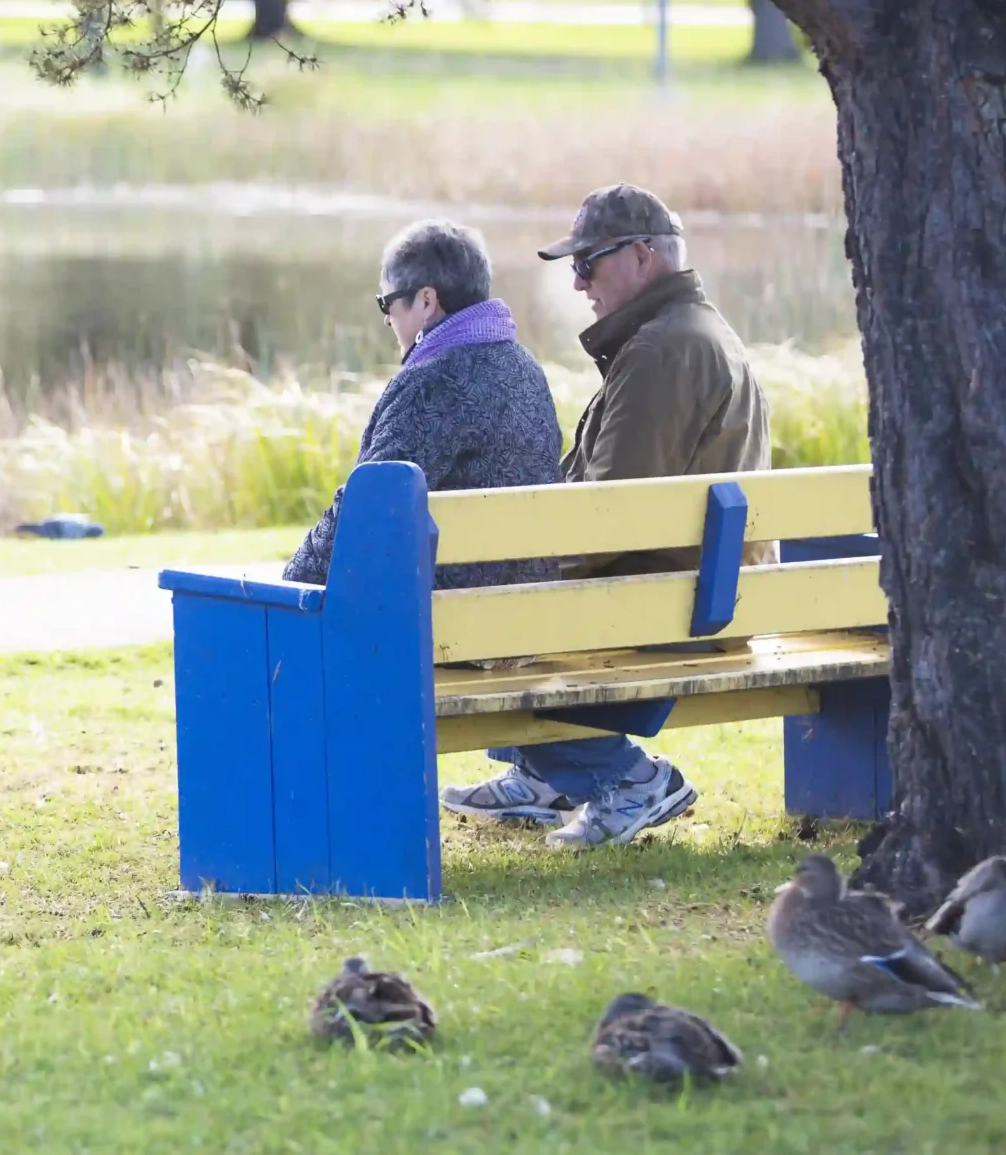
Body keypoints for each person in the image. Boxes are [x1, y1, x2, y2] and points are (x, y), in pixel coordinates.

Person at [440, 184, 773, 849]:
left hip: (666, 603)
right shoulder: (688, 332)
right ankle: (545, 774)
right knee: (482, 606)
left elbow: (610, 516)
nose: (577, 279)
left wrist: (515, 571)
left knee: (467, 623)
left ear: (645, 255)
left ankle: (628, 776)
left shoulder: (661, 351)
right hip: (698, 590)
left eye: (590, 261)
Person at [284, 219, 561, 590]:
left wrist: (290, 582)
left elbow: (362, 514)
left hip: (442, 629)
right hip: (529, 618)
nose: (386, 317)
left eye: (387, 302)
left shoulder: (430, 384)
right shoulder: (528, 369)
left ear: (426, 301)